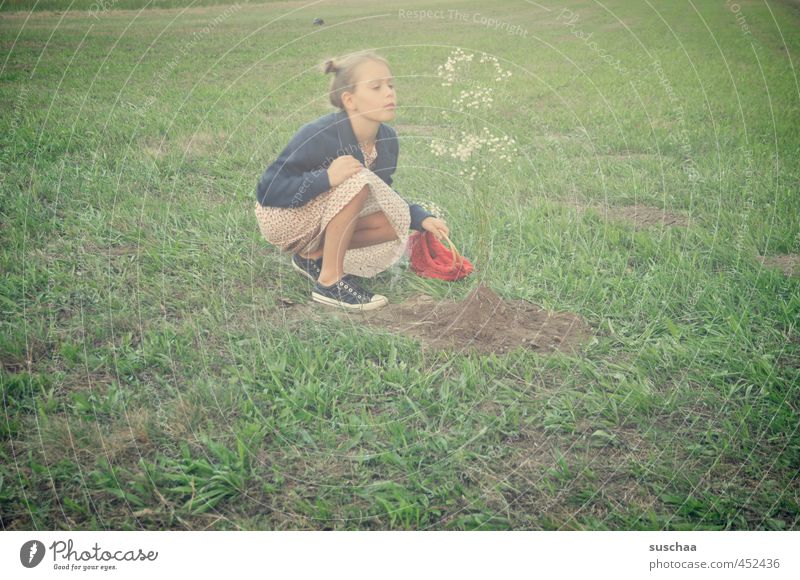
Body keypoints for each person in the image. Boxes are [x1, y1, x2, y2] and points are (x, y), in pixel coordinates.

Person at [254, 51, 450, 311]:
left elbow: (384, 193)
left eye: (391, 85)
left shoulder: (387, 139)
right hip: (285, 216)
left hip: (323, 216)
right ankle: (330, 283)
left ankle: (312, 257)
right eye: (376, 87)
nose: (389, 93)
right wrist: (326, 178)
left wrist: (420, 217)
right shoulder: (319, 134)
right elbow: (267, 190)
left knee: (394, 221)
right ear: (350, 100)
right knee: (357, 181)